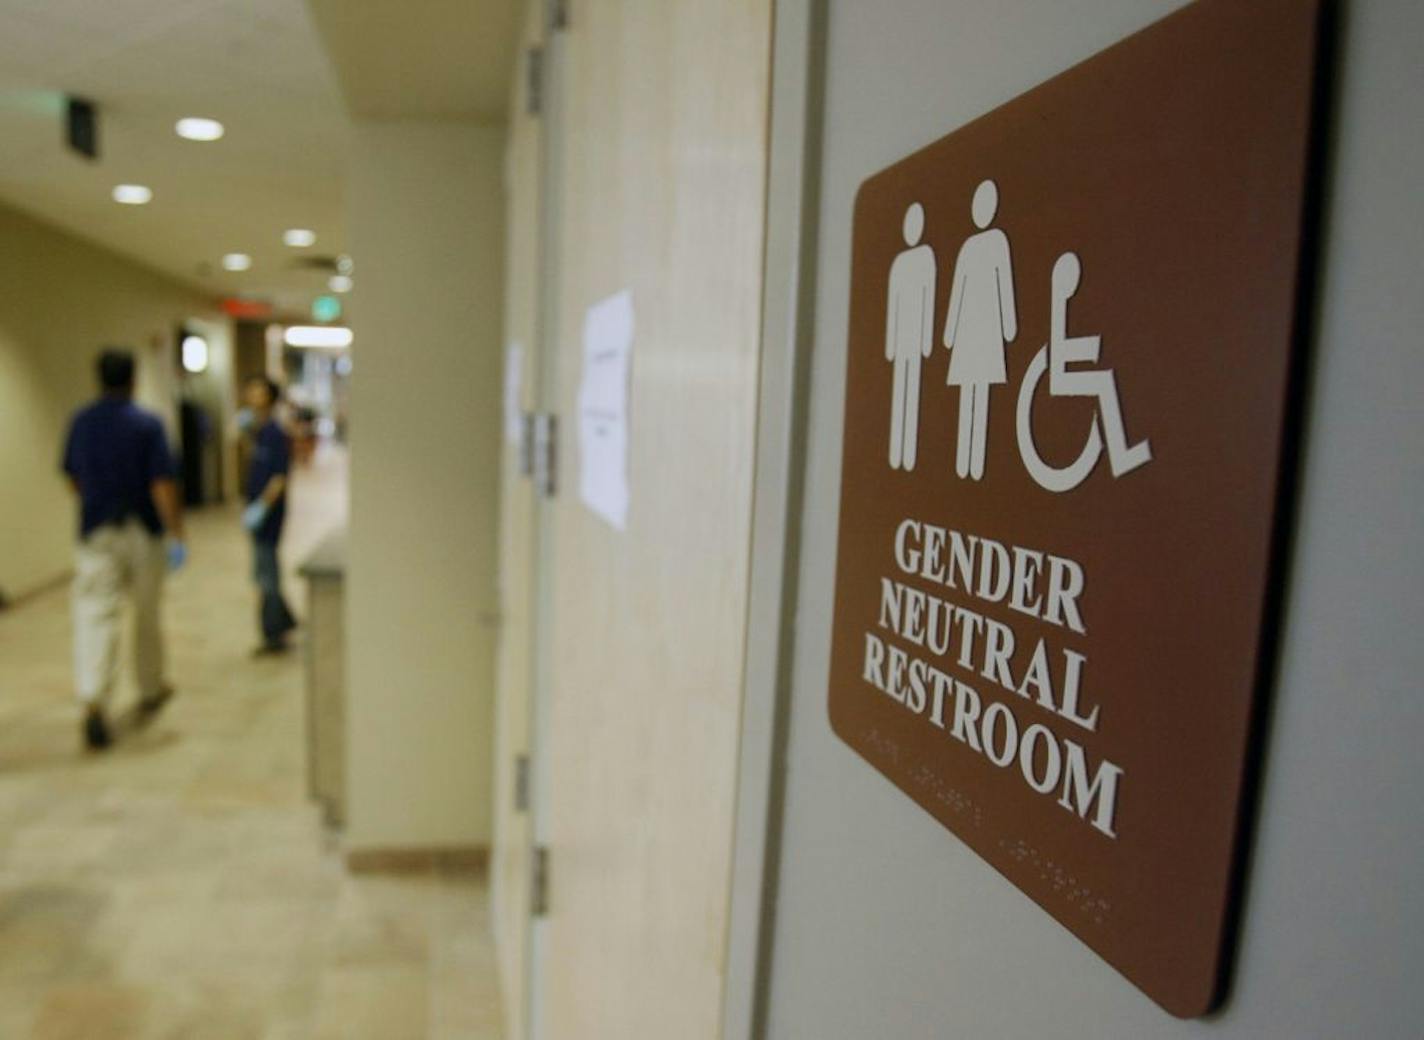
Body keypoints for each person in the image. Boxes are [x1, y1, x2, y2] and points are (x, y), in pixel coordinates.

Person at [61, 348, 185, 751]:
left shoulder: (80, 421)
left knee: (95, 613)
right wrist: (177, 532)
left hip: (96, 529)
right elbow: (161, 483)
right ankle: (150, 686)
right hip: (141, 531)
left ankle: (94, 698)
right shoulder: (146, 424)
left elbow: (72, 477)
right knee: (146, 612)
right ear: (133, 380)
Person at [1048, 252, 1151, 476]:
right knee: (1103, 382)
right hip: (1060, 370)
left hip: (1062, 363)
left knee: (1103, 382)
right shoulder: (1059, 298)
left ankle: (1121, 452)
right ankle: (1121, 452)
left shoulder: (1062, 299)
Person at [943, 178, 1018, 481]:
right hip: (969, 333)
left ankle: (975, 466)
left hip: (986, 332)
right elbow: (957, 292)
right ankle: (964, 463)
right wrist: (949, 334)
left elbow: (1005, 287)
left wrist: (1010, 326)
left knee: (982, 394)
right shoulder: (968, 248)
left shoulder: (999, 241)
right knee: (967, 394)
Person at [241, 375, 297, 653]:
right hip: (259, 510)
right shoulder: (258, 431)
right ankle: (284, 621)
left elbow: (279, 477)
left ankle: (274, 633)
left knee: (267, 574)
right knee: (264, 570)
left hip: (269, 514)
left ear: (269, 398)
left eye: (258, 391)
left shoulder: (275, 433)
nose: (251, 394)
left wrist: (262, 507)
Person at [885, 202, 937, 471]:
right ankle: (898, 454)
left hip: (916, 341)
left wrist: (928, 340)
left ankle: (908, 454)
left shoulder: (928, 257)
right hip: (904, 339)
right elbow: (894, 303)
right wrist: (891, 346)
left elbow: (929, 300)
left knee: (913, 388)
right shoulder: (899, 264)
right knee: (902, 392)